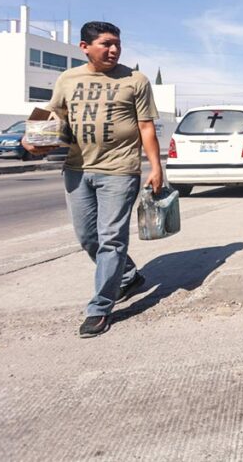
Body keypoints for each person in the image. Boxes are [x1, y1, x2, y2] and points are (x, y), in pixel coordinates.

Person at [22, 21, 162, 338]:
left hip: (120, 169)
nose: (113, 50)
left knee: (111, 238)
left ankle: (99, 309)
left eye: (117, 44)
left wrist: (156, 167)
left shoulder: (135, 80)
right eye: (106, 44)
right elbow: (53, 113)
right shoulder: (68, 78)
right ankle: (127, 275)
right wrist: (31, 139)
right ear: (84, 46)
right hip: (76, 168)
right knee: (88, 237)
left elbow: (146, 127)